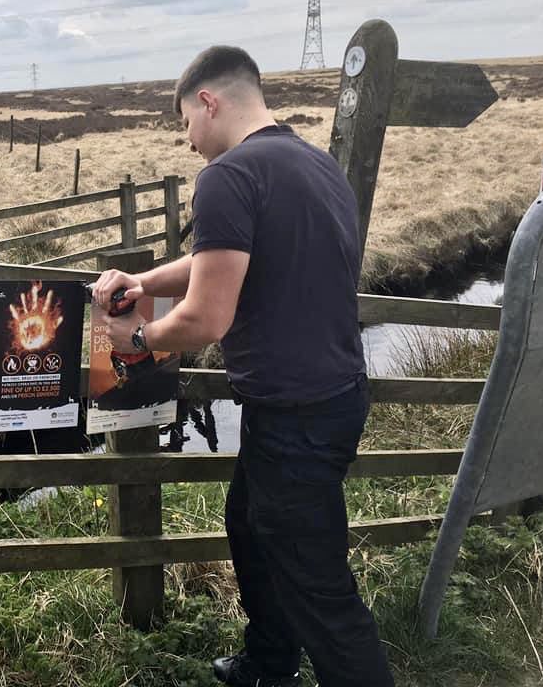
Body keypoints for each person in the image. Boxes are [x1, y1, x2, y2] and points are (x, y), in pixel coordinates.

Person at [93, 46, 394, 687]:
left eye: (185, 125)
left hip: (297, 413)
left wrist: (138, 339)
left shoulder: (228, 175)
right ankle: (268, 663)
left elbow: (205, 317)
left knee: (319, 586)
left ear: (209, 102)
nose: (190, 142)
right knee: (250, 527)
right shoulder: (313, 164)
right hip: (328, 397)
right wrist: (143, 278)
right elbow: (220, 256)